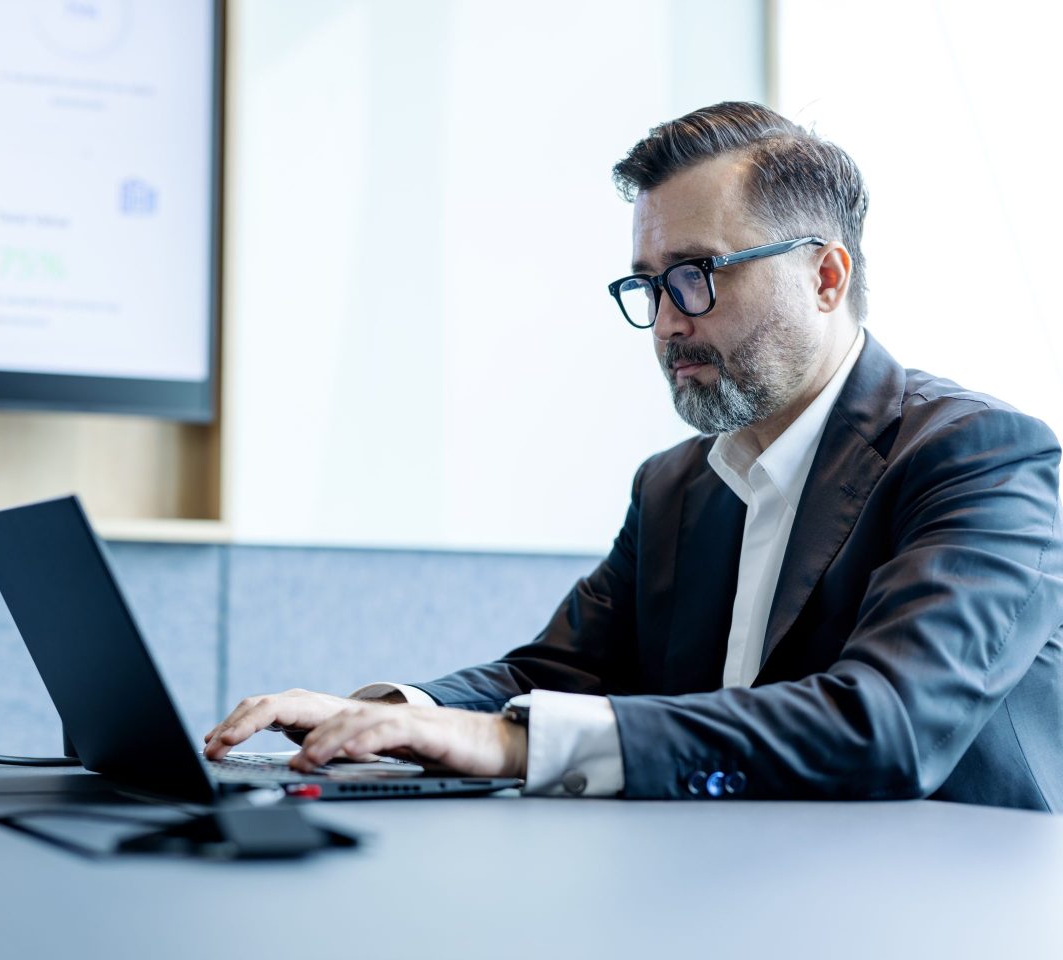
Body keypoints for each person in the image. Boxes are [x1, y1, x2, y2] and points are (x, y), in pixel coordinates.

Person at [204, 102, 1063, 810]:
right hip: (728, 890)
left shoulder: (981, 458)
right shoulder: (675, 485)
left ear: (826, 278)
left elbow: (888, 729)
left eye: (697, 274)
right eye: (647, 284)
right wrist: (390, 714)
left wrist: (510, 742)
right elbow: (553, 671)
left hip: (943, 908)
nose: (666, 322)